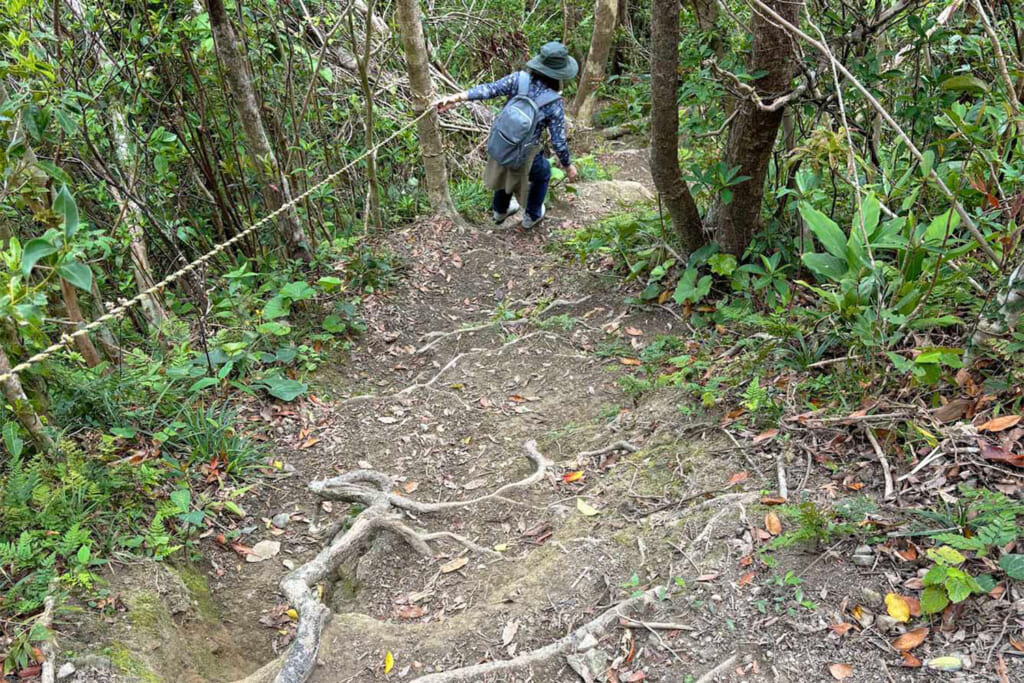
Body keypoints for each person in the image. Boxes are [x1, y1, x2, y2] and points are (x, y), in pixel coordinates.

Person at [436, 42, 580, 230]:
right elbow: (558, 141)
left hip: (501, 141)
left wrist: (457, 98)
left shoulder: (519, 79)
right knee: (543, 171)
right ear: (560, 74)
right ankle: (532, 215)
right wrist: (568, 165)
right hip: (525, 153)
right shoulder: (553, 102)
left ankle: (500, 210)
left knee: (504, 168)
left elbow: (489, 89)